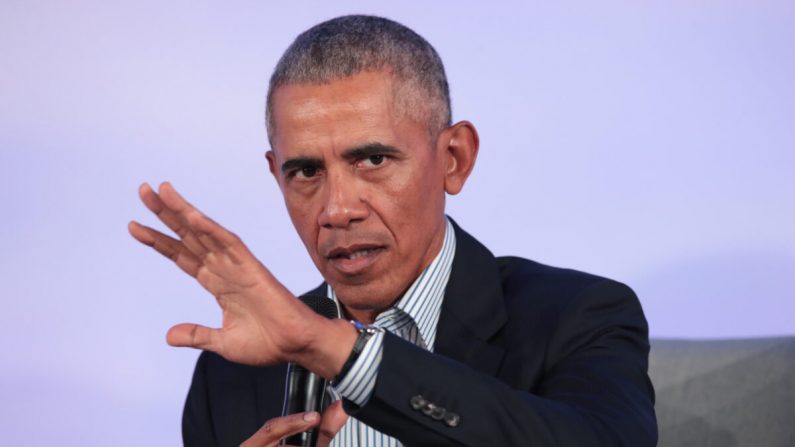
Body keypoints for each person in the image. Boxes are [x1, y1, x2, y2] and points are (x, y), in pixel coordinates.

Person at [129, 15, 657, 447]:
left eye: (374, 159)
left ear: (454, 158)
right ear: (276, 176)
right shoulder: (231, 374)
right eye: (307, 172)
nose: (337, 209)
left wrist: (340, 353)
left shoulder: (578, 318)